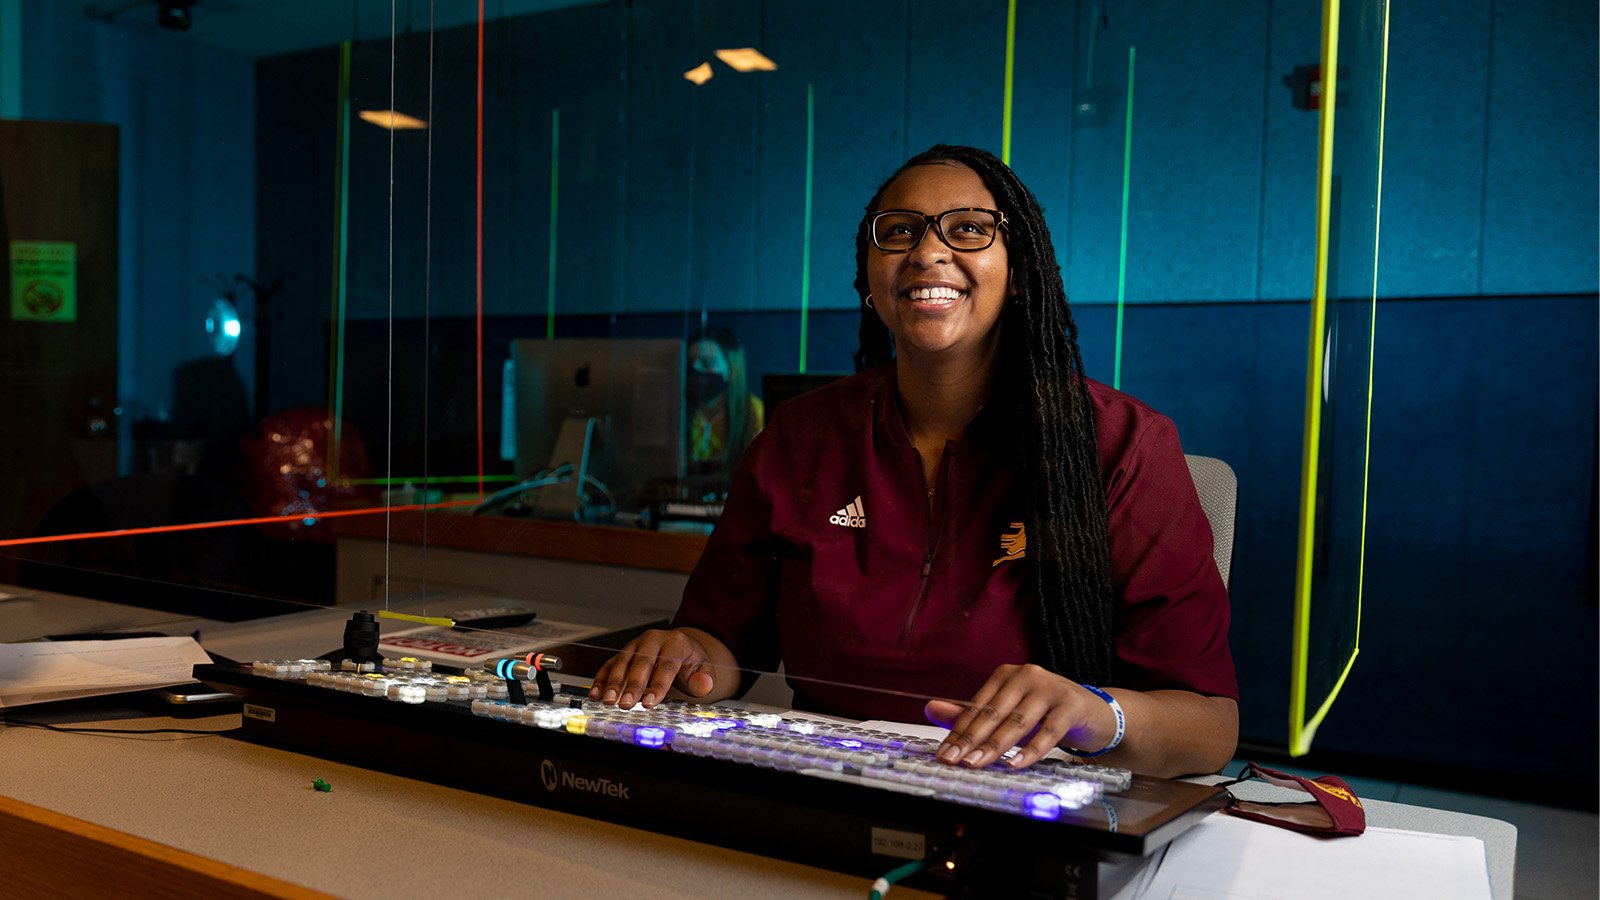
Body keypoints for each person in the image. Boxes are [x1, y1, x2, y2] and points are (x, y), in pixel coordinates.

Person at [591, 145, 1237, 779]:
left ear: (1020, 268)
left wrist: (1099, 714)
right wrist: (685, 657)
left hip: (1034, 802)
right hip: (829, 789)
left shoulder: (1124, 445)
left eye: (969, 229)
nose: (928, 251)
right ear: (869, 276)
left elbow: (1208, 727)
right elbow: (724, 646)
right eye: (898, 231)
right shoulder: (799, 437)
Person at [685, 325, 764, 483]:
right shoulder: (681, 410)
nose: (696, 370)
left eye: (707, 363)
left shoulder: (754, 412)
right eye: (689, 365)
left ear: (731, 369)